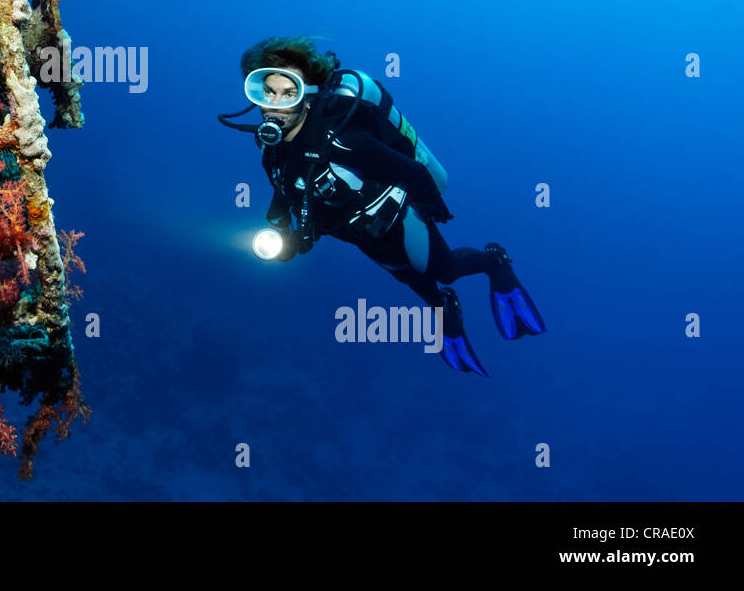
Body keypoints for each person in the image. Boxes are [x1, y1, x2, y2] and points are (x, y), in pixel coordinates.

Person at [218, 36, 545, 375]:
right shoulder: (267, 144)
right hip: (356, 233)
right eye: (267, 92)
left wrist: (433, 205)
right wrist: (281, 225)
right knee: (413, 282)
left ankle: (495, 262)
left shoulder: (345, 141)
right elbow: (286, 182)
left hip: (396, 221)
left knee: (443, 270)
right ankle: (444, 307)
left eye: (290, 93)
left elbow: (412, 171)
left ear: (309, 97)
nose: (275, 104)